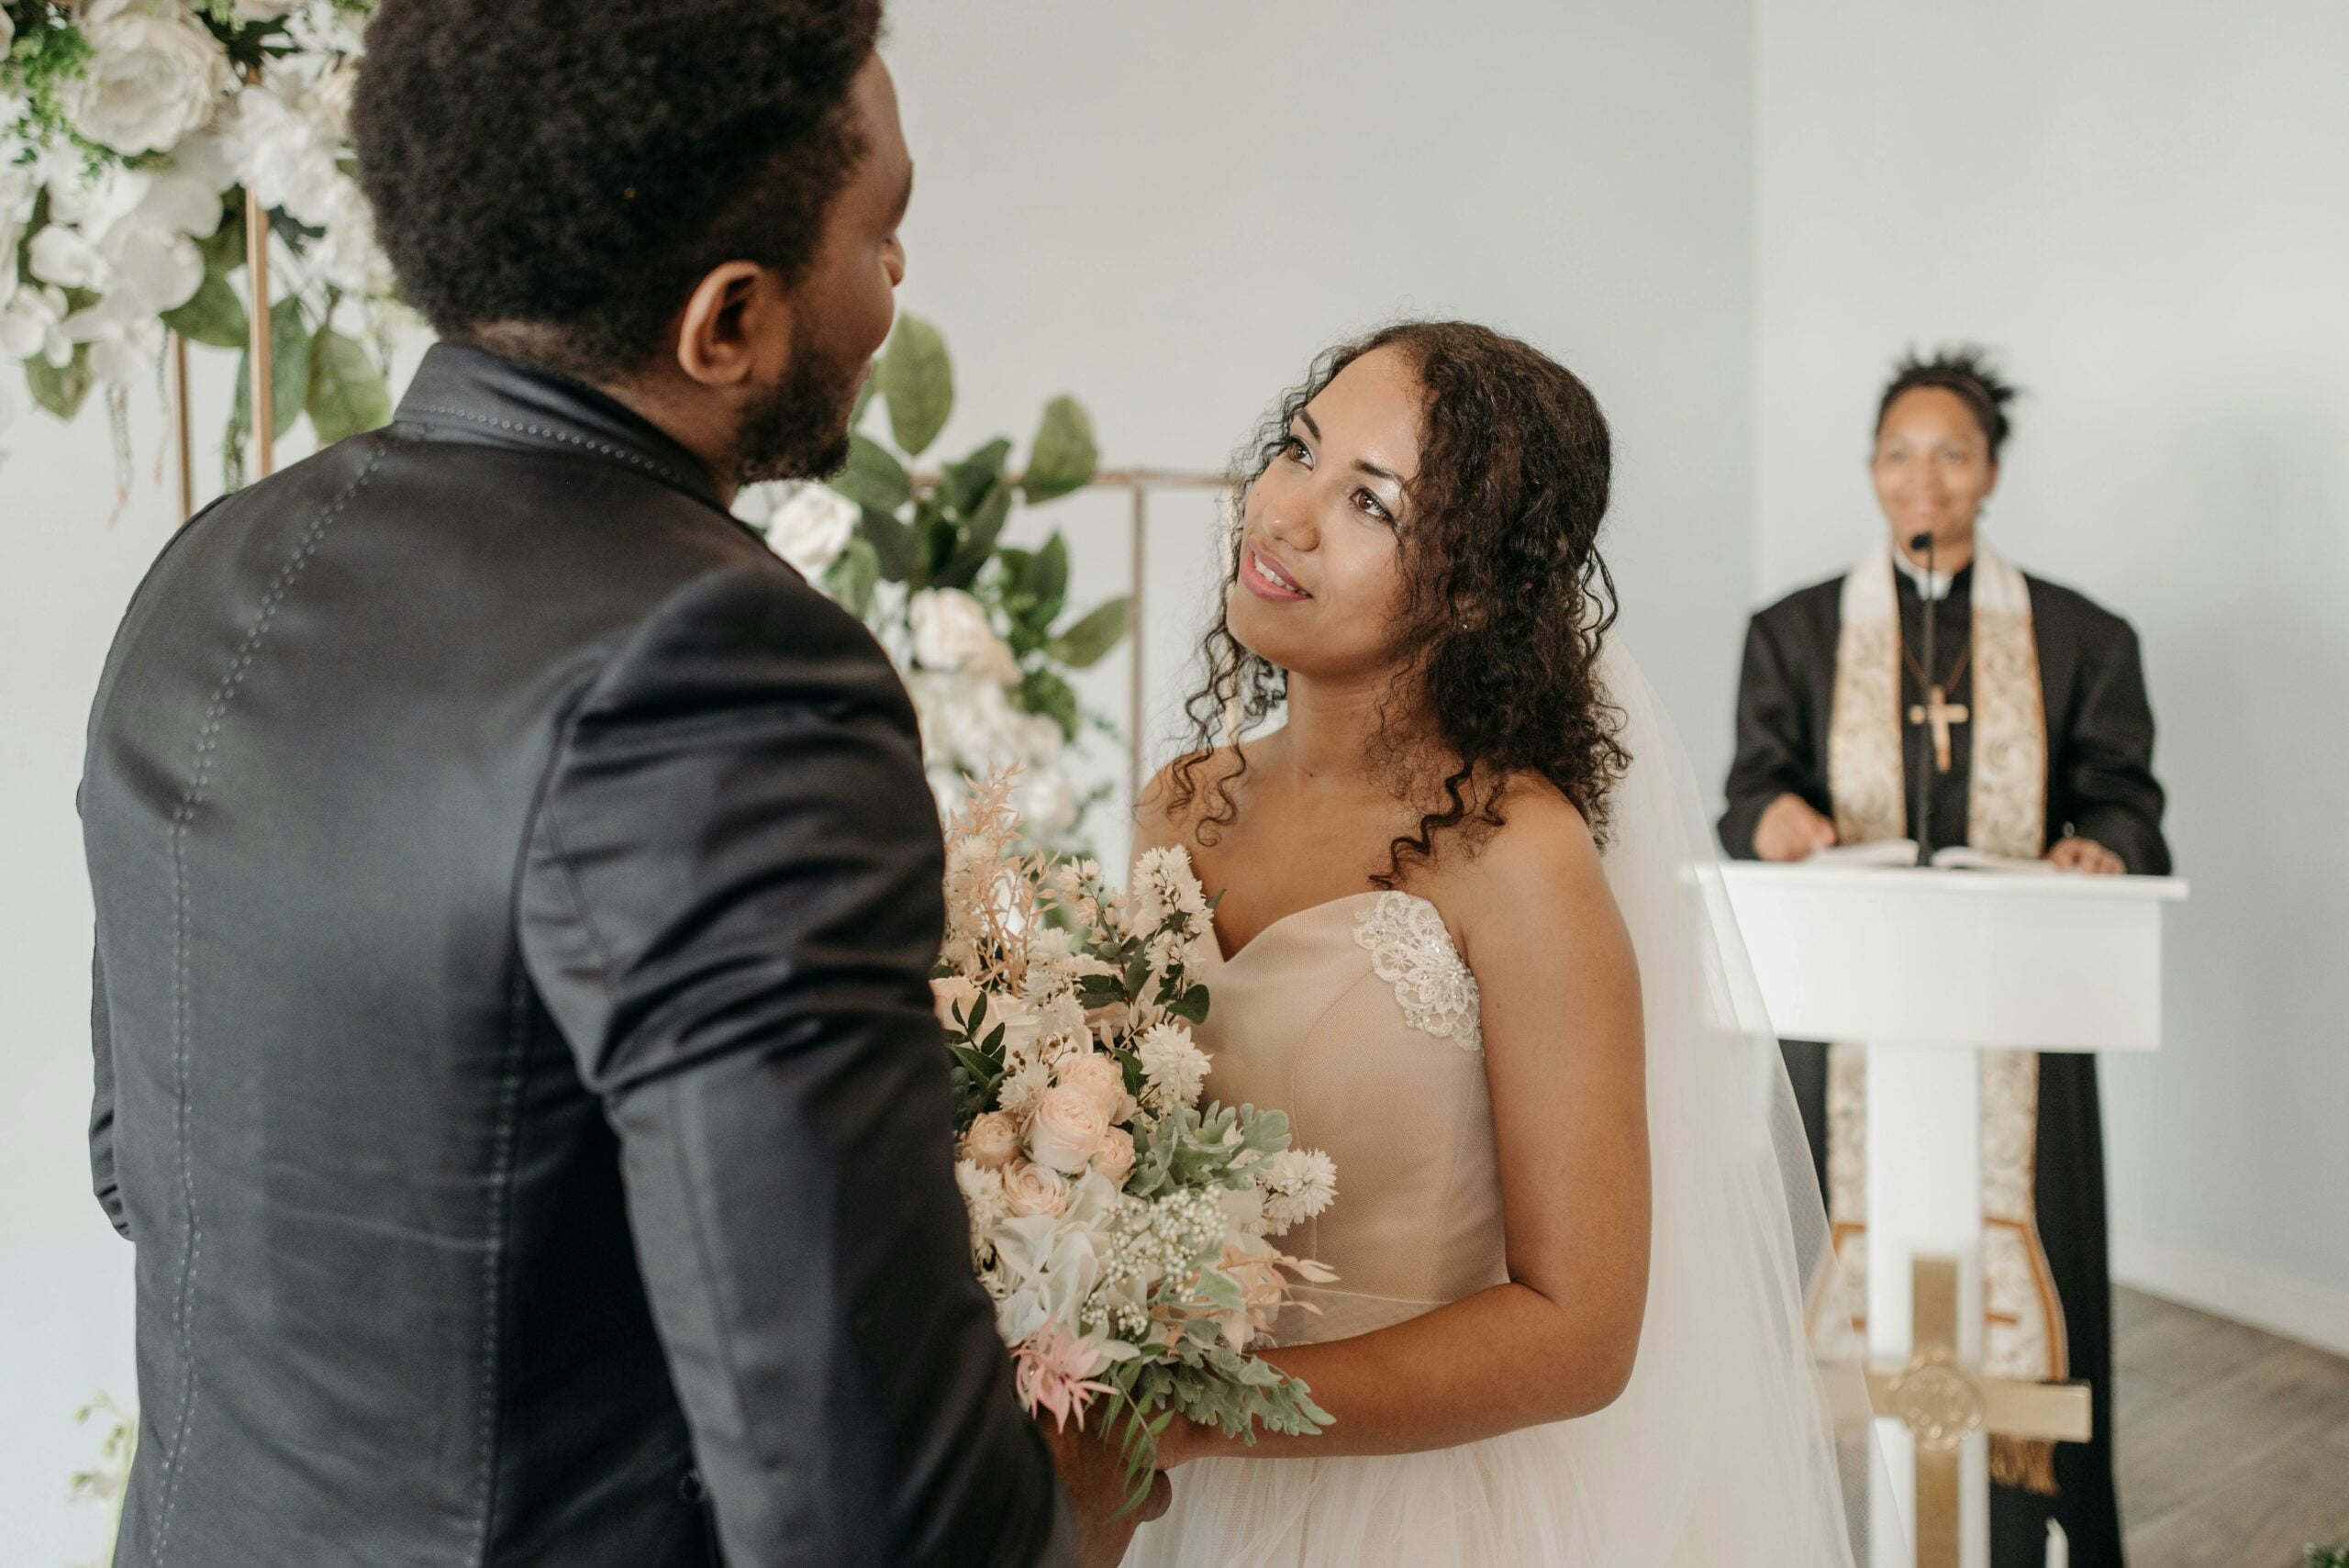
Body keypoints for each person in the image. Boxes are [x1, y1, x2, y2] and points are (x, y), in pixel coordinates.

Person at [78, 3, 1154, 1563]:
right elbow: (868, 1505)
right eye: (884, 232)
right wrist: (1079, 1504)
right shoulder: (725, 670)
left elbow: (142, 1165)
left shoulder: (216, 564)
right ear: (727, 323)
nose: (898, 280)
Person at [1123, 322, 1874, 1566]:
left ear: (1472, 587)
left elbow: (1580, 1332)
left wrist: (1207, 1412)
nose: (1289, 516)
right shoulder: (1177, 800)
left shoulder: (1517, 858)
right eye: (1299, 451)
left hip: (1408, 1509)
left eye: (1371, 502)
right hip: (1166, 1499)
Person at [1720, 347, 2169, 1565]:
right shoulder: (1796, 632)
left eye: (1953, 453)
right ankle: (1830, 1526)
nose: (1926, 478)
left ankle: (2027, 1534)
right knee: (1824, 1260)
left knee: (2039, 1272)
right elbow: (1751, 788)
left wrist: (2101, 846)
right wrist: (1775, 820)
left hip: (2019, 1014)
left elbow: (2127, 799)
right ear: (1873, 471)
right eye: (1902, 453)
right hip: (1850, 1014)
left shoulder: (2082, 635)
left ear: (1992, 472)